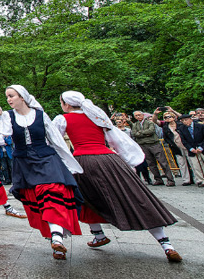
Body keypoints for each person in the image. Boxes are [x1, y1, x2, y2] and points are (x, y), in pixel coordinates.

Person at [55, 91, 181, 262]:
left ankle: (98, 234)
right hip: (109, 159)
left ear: (67, 104)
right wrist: (129, 160)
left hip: (82, 161)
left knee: (85, 199)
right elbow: (117, 140)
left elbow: (55, 142)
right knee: (135, 197)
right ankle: (166, 244)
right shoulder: (98, 116)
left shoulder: (63, 119)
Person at [0, 85, 83, 260]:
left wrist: (69, 163)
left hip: (46, 158)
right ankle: (54, 238)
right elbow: (4, 132)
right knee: (38, 200)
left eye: (11, 96)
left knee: (52, 191)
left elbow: (55, 139)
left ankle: (57, 237)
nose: (8, 99)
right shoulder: (8, 116)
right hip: (24, 162)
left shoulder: (40, 114)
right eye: (7, 96)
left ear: (22, 97)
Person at [131, 111, 174, 186]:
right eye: (136, 115)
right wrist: (144, 133)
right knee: (151, 163)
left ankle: (170, 180)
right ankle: (158, 179)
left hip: (154, 144)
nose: (138, 116)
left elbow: (151, 131)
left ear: (143, 115)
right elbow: (134, 133)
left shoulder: (149, 122)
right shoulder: (135, 125)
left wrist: (140, 133)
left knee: (163, 162)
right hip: (143, 145)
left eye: (139, 115)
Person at [162, 112, 194, 185]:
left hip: (186, 145)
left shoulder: (180, 124)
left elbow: (183, 117)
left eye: (169, 116)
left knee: (192, 162)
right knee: (181, 163)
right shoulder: (165, 127)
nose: (168, 118)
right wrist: (171, 144)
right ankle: (186, 180)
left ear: (174, 117)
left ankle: (197, 178)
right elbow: (166, 137)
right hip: (175, 146)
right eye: (165, 117)